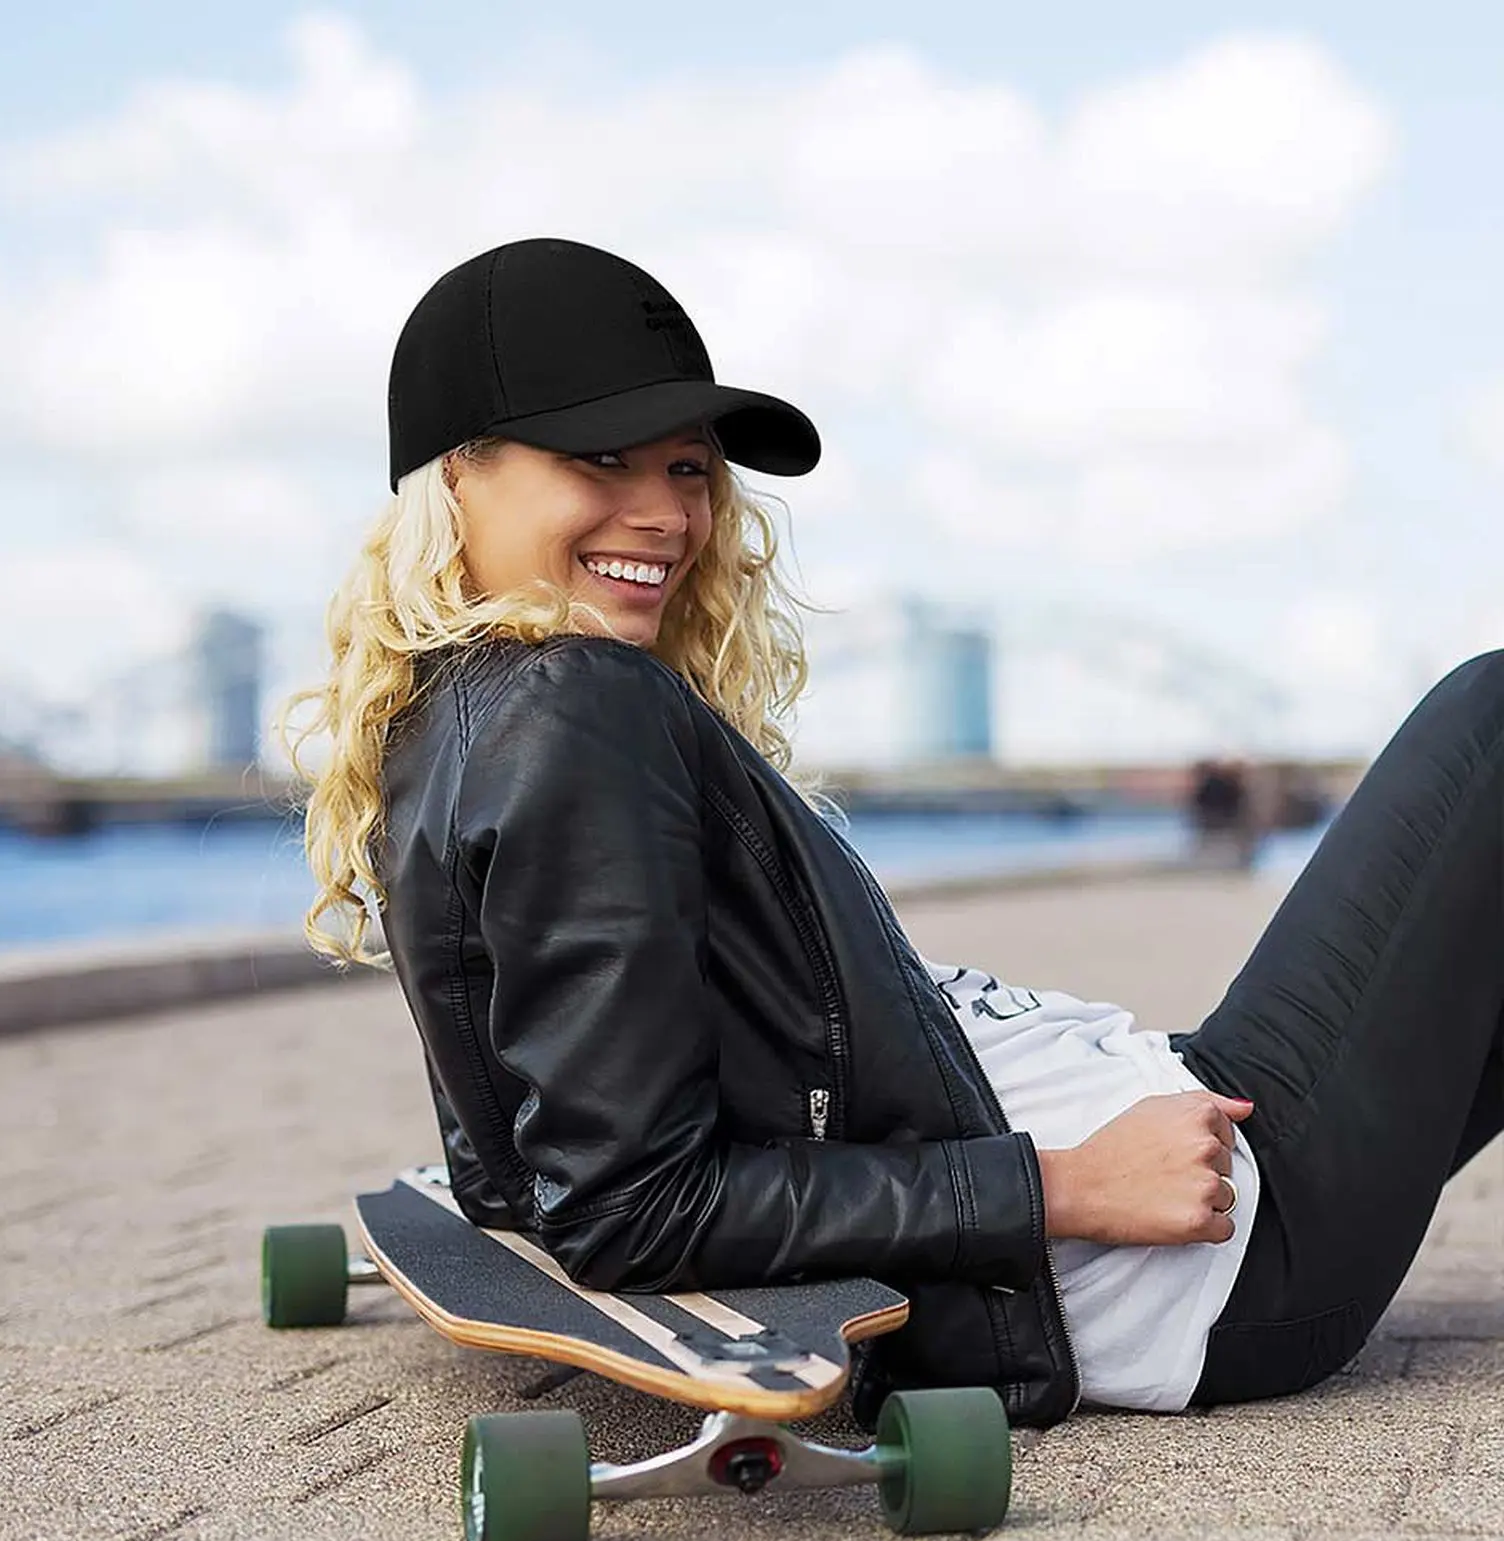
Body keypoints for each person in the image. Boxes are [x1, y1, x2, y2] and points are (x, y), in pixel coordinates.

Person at [284, 237, 1502, 1429]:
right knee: (1489, 717)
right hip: (1208, 1239)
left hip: (1174, 1135)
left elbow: (537, 1159)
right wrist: (1064, 1186)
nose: (664, 514)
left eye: (689, 469)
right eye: (602, 458)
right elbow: (630, 1209)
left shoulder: (451, 717)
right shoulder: (571, 708)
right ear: (455, 477)